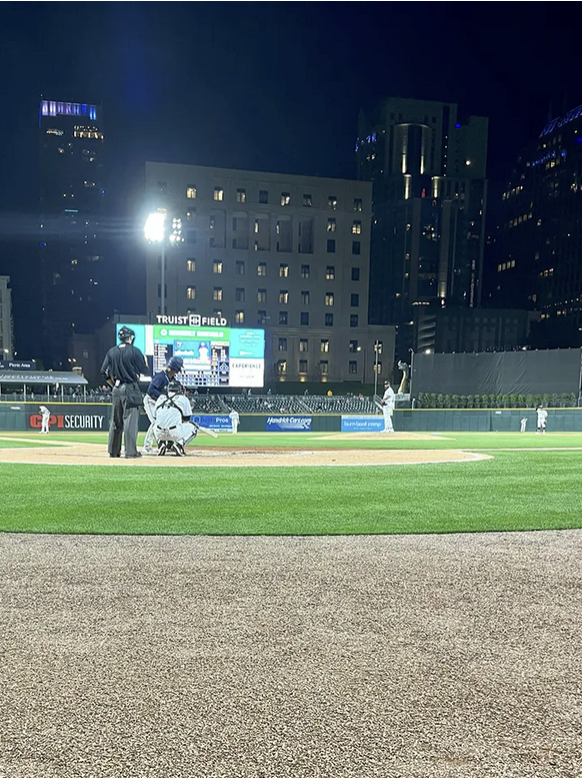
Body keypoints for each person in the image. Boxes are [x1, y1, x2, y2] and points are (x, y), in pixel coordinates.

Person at [100, 326, 148, 459]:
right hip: (130, 387)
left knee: (115, 421)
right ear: (130, 338)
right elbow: (144, 370)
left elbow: (103, 372)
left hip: (116, 388)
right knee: (130, 420)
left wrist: (113, 385)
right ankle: (130, 452)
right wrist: (145, 363)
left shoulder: (111, 352)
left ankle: (113, 451)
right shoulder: (134, 351)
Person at [142, 356, 184, 454]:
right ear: (174, 367)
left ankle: (167, 445)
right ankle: (146, 446)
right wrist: (162, 397)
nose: (178, 371)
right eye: (178, 369)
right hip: (150, 401)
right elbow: (150, 390)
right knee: (155, 422)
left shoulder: (171, 379)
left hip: (160, 403)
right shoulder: (161, 376)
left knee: (164, 421)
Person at [154, 379, 198, 456]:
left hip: (159, 433)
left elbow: (155, 416)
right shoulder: (183, 398)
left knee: (154, 425)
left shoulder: (161, 397)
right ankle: (179, 445)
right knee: (194, 428)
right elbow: (186, 419)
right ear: (179, 389)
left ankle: (161, 444)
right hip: (175, 433)